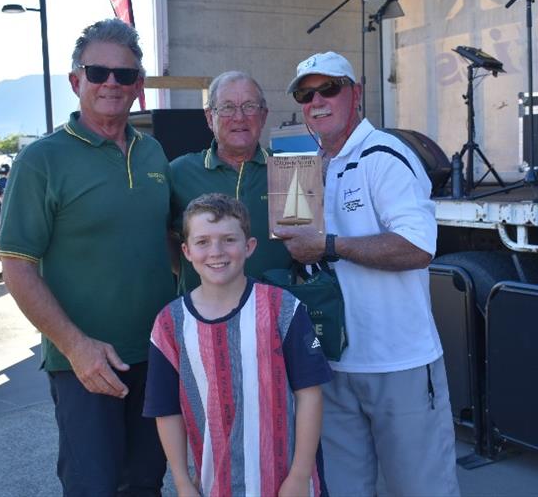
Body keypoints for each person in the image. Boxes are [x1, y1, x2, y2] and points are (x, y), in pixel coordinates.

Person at [0, 18, 177, 496]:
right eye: (98, 72)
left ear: (139, 86)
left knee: (145, 484)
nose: (111, 84)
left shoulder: (154, 153)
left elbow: (171, 244)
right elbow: (16, 265)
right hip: (85, 364)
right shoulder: (42, 160)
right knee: (93, 487)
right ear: (76, 81)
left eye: (124, 75)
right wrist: (76, 346)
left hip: (158, 356)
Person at [275, 51, 460, 496]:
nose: (317, 101)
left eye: (329, 89)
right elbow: (301, 254)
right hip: (333, 363)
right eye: (306, 93)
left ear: (354, 93)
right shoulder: (305, 163)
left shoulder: (385, 155)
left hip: (399, 363)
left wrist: (330, 245)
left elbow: (419, 248)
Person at [143, 193, 331, 496]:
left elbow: (310, 395)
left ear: (249, 246)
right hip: (215, 485)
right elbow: (166, 410)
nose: (216, 251)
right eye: (202, 242)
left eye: (228, 239)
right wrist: (181, 480)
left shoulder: (282, 309)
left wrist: (299, 476)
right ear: (186, 251)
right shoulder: (170, 324)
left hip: (286, 484)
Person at [170, 71, 293, 293]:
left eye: (249, 106)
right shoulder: (179, 173)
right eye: (227, 107)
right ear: (209, 117)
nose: (239, 117)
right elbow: (165, 241)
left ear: (263, 116)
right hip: (202, 318)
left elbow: (308, 247)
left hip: (276, 314)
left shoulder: (290, 170)